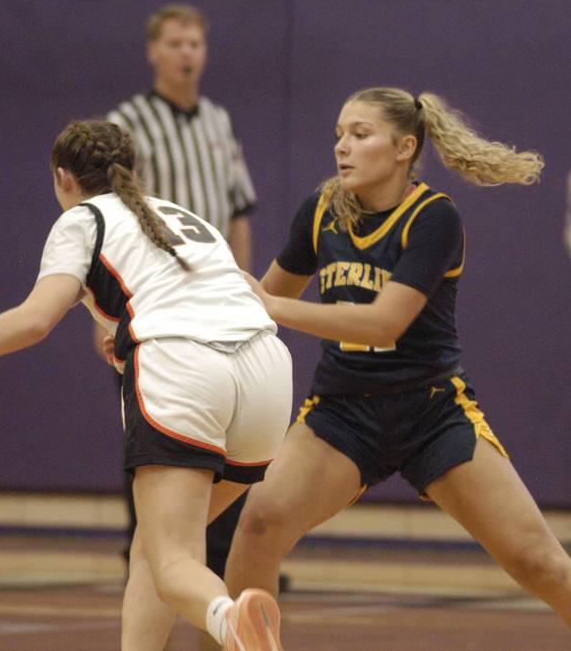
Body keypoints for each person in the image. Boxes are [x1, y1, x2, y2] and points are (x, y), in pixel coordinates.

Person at [0, 119, 293, 651]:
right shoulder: (185, 217)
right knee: (152, 552)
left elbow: (34, 320)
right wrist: (125, 335)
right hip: (267, 373)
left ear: (63, 178)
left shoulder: (82, 219)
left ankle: (229, 619)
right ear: (134, 172)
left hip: (187, 368)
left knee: (173, 559)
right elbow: (226, 291)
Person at [224, 86, 571, 631]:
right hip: (341, 415)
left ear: (404, 147)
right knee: (260, 521)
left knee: (538, 562)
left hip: (432, 413)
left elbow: (384, 322)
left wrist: (273, 306)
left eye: (360, 135)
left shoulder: (434, 218)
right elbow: (259, 306)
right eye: (339, 135)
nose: (343, 147)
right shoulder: (321, 212)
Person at [103, 3, 259, 585]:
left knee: (230, 434)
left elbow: (239, 209)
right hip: (154, 305)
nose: (188, 53)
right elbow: (108, 219)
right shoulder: (127, 123)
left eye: (195, 43)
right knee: (152, 440)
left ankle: (219, 557)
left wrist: (248, 289)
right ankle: (143, 551)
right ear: (154, 52)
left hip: (218, 305)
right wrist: (106, 316)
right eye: (176, 43)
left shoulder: (218, 120)